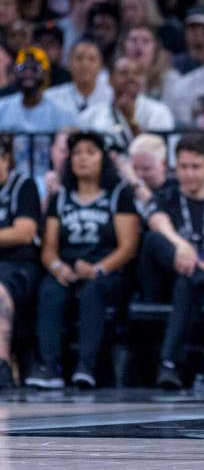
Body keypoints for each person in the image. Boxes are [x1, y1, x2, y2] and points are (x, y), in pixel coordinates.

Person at [25, 131, 139, 389]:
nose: (82, 159)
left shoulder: (118, 194)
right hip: (68, 265)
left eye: (90, 152)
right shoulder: (61, 196)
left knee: (93, 292)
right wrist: (57, 267)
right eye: (76, 153)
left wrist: (99, 269)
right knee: (49, 290)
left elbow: (129, 246)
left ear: (103, 159)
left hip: (107, 268)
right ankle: (49, 365)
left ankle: (86, 366)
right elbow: (49, 247)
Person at [138, 134, 204, 389]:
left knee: (187, 283)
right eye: (183, 167)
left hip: (194, 288)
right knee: (155, 239)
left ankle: (169, 365)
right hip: (161, 282)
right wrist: (181, 246)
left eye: (196, 167)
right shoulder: (166, 195)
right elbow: (157, 222)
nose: (188, 174)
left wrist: (194, 269)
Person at [0, 137, 42, 389]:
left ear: (6, 159)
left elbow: (24, 232)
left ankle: (1, 363)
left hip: (17, 265)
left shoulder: (22, 186)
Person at [0, 47, 76, 184]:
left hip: (50, 181)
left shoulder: (62, 112)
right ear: (15, 73)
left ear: (46, 73)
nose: (28, 74)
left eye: (35, 69)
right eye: (23, 68)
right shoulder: (2, 108)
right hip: (10, 182)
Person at [79, 56, 175, 151]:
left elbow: (155, 154)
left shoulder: (159, 111)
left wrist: (131, 121)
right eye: (123, 73)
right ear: (110, 79)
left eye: (137, 73)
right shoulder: (90, 115)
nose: (131, 78)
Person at [45, 38, 112, 117]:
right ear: (69, 63)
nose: (85, 64)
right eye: (79, 58)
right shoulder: (51, 98)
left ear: (101, 66)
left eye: (91, 59)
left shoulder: (112, 97)